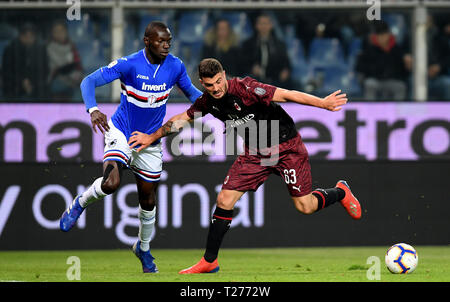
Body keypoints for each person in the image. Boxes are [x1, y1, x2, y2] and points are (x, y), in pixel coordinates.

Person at [128, 58, 362, 274]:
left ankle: (341, 191)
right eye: (210, 85)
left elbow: (287, 94)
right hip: (256, 152)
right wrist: (151, 137)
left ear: (224, 75)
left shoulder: (246, 88)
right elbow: (181, 120)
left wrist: (322, 103)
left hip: (286, 146)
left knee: (306, 206)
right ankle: (210, 261)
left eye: (219, 81)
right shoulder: (207, 102)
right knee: (224, 200)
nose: (216, 88)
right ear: (203, 83)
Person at [59, 21, 203, 273]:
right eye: (161, 41)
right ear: (147, 41)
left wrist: (216, 103)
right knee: (111, 183)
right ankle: (79, 203)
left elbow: (193, 95)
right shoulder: (129, 64)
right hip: (122, 132)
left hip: (150, 142)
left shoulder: (176, 66)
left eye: (169, 41)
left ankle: (143, 248)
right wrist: (93, 110)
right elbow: (88, 82)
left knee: (147, 200)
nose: (166, 45)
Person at [355, 20, 411, 101]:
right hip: (375, 80)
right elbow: (361, 68)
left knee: (400, 86)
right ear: (376, 36)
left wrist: (407, 66)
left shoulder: (396, 49)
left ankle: (397, 112)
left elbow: (403, 73)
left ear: (388, 34)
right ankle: (370, 111)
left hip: (392, 80)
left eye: (384, 34)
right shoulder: (369, 49)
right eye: (379, 35)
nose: (382, 38)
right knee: (369, 84)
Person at [240, 13, 294, 89]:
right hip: (255, 80)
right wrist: (251, 69)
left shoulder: (279, 44)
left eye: (266, 23)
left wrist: (285, 71)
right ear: (256, 26)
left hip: (276, 79)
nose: (263, 26)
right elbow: (242, 63)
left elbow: (286, 63)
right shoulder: (248, 44)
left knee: (291, 83)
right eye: (261, 23)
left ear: (271, 25)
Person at [2, 22, 49, 101]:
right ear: (20, 36)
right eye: (25, 36)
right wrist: (22, 81)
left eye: (31, 36)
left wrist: (32, 83)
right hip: (14, 87)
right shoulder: (10, 49)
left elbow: (45, 70)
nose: (28, 39)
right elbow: (6, 72)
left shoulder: (41, 49)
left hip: (36, 87)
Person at [47, 20, 83, 101]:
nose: (60, 34)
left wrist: (78, 77)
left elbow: (76, 64)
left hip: (72, 79)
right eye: (56, 31)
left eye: (62, 31)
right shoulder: (50, 47)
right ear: (52, 34)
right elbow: (62, 67)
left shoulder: (71, 45)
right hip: (57, 80)